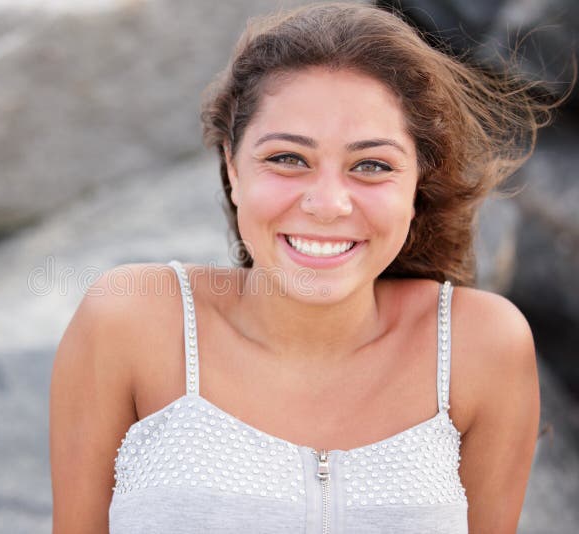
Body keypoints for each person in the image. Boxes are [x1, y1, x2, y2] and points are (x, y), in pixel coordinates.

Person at [50, 2, 563, 532]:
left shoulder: (482, 345)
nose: (328, 204)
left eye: (372, 165)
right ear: (231, 165)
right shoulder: (130, 322)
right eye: (288, 158)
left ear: (417, 184)